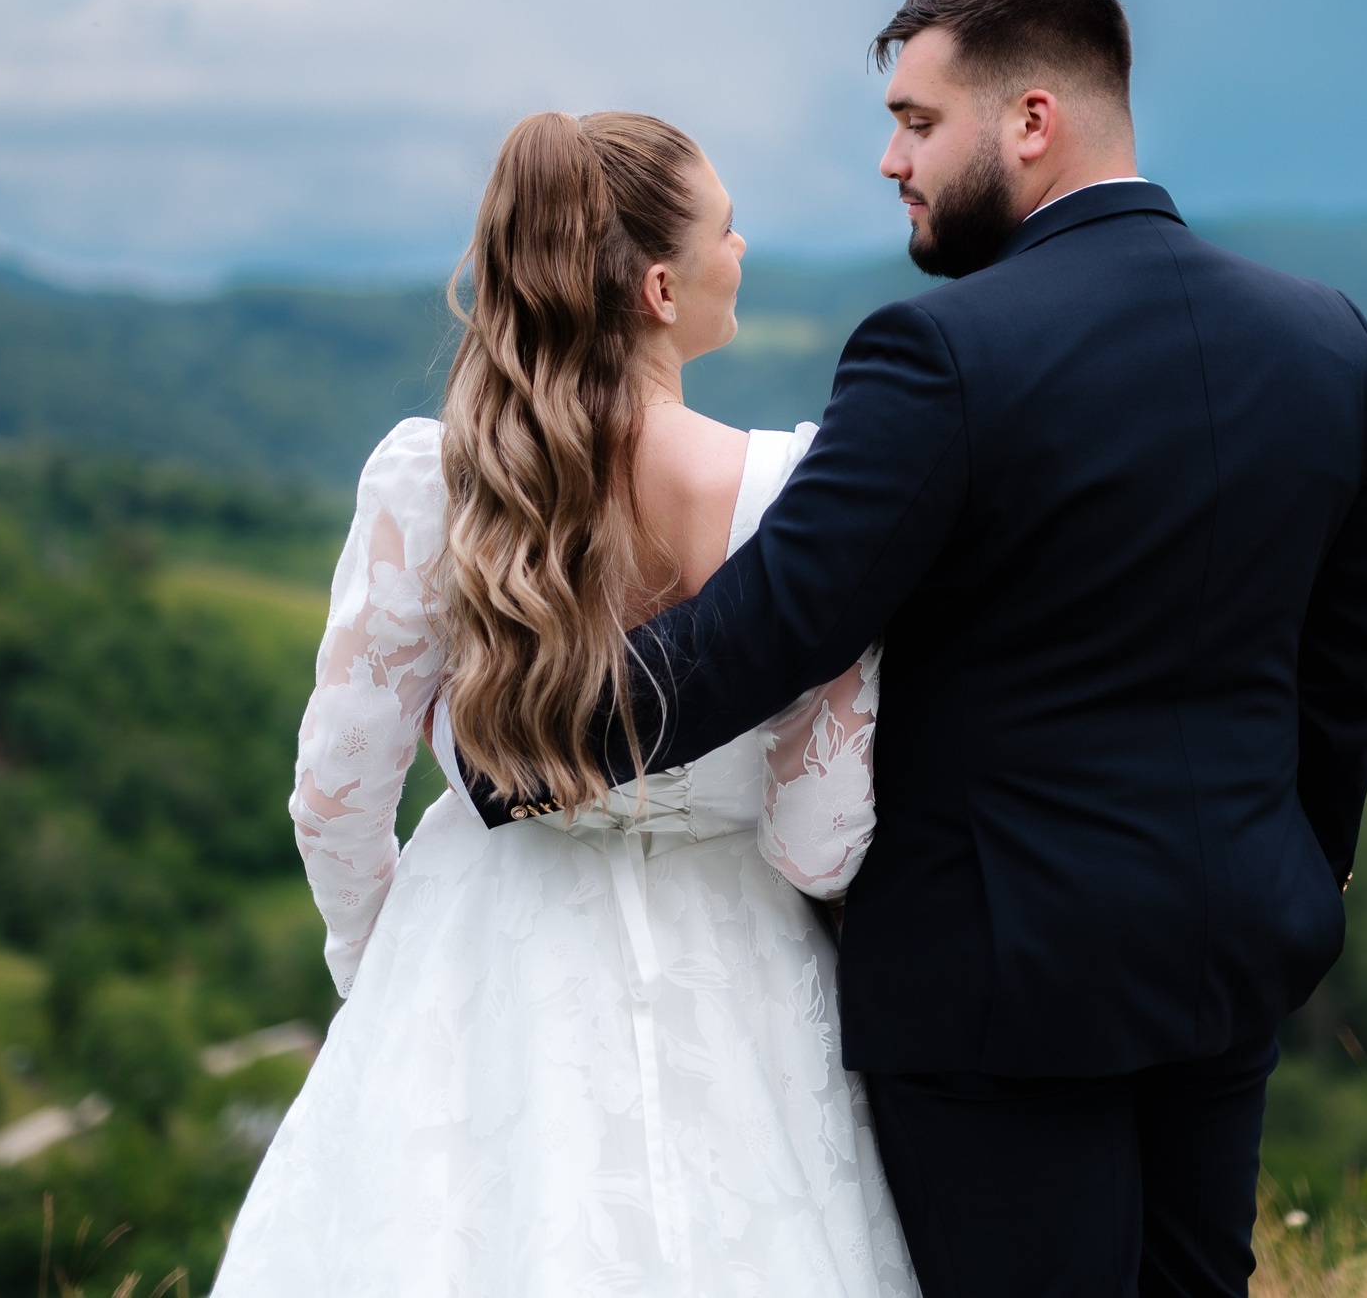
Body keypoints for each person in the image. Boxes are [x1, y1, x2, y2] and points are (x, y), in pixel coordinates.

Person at [465, 0, 1367, 1297]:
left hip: (999, 986)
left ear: (1030, 121)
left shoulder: (941, 354)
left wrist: (518, 745)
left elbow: (771, 627)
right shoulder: (1322, 338)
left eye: (916, 122)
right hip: (1230, 946)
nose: (893, 163)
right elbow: (1353, 655)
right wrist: (1306, 865)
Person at [213, 112, 913, 1296]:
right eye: (726, 227)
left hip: (478, 944)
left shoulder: (426, 485)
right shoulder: (781, 498)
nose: (741, 248)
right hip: (733, 964)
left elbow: (335, 793)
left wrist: (382, 967)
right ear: (658, 285)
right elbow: (821, 833)